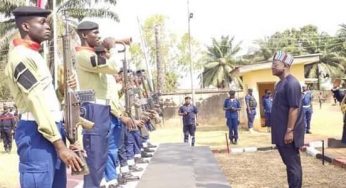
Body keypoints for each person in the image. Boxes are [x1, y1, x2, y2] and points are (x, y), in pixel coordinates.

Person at [5, 6, 83, 188]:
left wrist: (62, 90)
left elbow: (46, 99)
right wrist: (60, 146)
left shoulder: (34, 55)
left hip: (51, 130)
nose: (47, 26)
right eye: (41, 22)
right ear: (25, 26)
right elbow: (35, 101)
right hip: (37, 133)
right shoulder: (21, 57)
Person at [271, 51, 305, 188]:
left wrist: (290, 131)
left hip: (288, 133)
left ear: (285, 65)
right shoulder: (280, 84)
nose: (272, 67)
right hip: (281, 132)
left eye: (275, 64)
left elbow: (294, 108)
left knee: (293, 166)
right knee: (289, 165)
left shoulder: (292, 83)